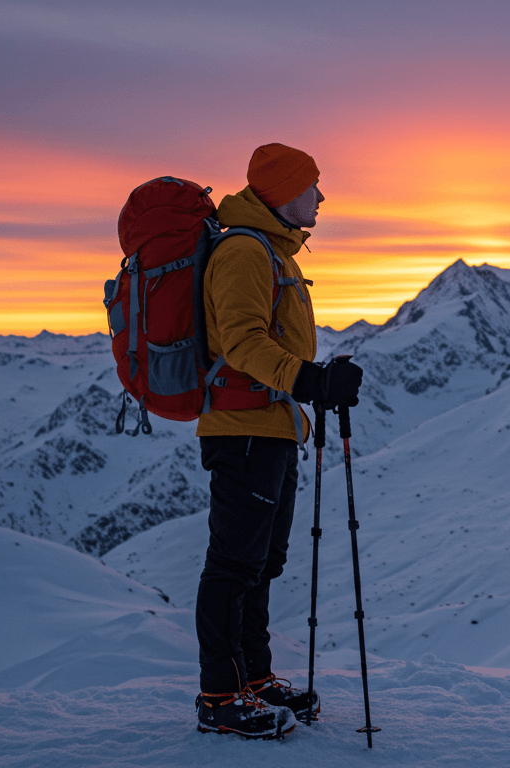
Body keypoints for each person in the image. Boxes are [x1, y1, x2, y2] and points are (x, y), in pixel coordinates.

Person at [193, 143, 363, 739]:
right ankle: (219, 694)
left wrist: (312, 379)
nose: (320, 196)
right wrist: (311, 379)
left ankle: (254, 679)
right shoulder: (243, 250)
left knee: (262, 564)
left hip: (272, 428)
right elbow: (240, 343)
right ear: (281, 191)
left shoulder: (274, 251)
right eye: (311, 185)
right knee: (233, 565)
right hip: (243, 430)